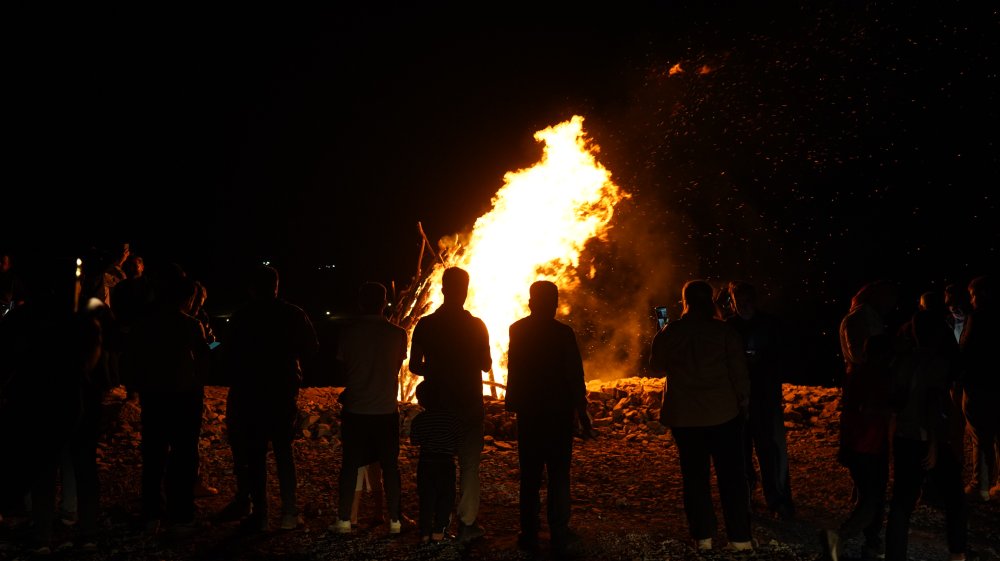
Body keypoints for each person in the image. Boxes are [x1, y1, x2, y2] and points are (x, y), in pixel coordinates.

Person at [648, 279, 753, 553]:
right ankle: (740, 538)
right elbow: (740, 373)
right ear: (711, 301)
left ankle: (703, 538)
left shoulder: (670, 332)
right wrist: (743, 403)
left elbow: (657, 368)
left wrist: (661, 333)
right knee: (732, 478)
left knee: (695, 479)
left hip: (685, 418)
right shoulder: (724, 332)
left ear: (685, 302)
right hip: (723, 415)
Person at [217, 265, 319, 532]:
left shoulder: (242, 316)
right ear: (276, 286)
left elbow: (225, 351)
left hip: (250, 392)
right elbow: (311, 348)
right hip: (282, 392)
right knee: (284, 452)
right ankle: (288, 512)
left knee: (256, 454)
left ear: (252, 288)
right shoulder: (293, 314)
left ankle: (260, 514)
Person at [505, 280, 595, 557]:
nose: (555, 305)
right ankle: (558, 530)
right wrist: (582, 412)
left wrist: (512, 403)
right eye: (554, 301)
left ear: (531, 302)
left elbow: (515, 369)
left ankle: (529, 532)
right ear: (551, 303)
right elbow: (574, 375)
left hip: (530, 413)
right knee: (558, 474)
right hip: (557, 414)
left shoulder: (517, 330)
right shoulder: (563, 334)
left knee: (530, 475)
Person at [119, 275, 210, 538]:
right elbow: (208, 354)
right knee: (183, 456)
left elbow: (131, 357)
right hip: (185, 397)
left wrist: (136, 386)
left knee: (153, 456)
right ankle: (181, 514)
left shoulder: (144, 325)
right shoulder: (192, 326)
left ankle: (151, 514)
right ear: (187, 298)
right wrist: (215, 342)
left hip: (154, 396)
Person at [408, 266, 492, 544]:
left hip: (439, 408)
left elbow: (415, 365)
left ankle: (434, 525)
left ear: (443, 289)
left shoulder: (426, 324)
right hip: (468, 406)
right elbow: (486, 365)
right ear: (465, 290)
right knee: (469, 467)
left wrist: (436, 371)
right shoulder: (477, 326)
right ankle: (467, 523)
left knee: (437, 466)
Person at [885, 310, 969, 561]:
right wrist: (933, 443)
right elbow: (932, 404)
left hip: (904, 437)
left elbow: (895, 403)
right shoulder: (936, 364)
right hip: (926, 439)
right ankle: (958, 553)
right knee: (955, 496)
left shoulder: (901, 360)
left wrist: (892, 438)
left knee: (902, 501)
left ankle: (894, 555)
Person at [330, 281, 407, 535]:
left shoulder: (349, 332)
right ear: (384, 303)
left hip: (356, 410)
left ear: (361, 302)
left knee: (350, 464)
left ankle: (343, 520)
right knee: (390, 466)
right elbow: (395, 367)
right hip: (386, 409)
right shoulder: (398, 334)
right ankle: (395, 520)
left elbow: (344, 368)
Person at [724, 281, 795, 520]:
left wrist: (761, 365)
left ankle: (777, 499)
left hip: (764, 398)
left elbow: (782, 357)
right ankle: (747, 497)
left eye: (747, 299)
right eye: (738, 300)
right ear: (732, 301)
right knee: (740, 452)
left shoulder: (770, 325)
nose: (743, 305)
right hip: (737, 401)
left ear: (754, 300)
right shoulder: (727, 327)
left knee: (769, 451)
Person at [822, 334, 895, 561]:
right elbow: (869, 409)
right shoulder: (877, 377)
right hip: (870, 446)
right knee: (873, 498)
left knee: (871, 496)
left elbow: (849, 412)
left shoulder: (856, 374)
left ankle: (872, 543)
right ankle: (841, 537)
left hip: (857, 445)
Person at [960, 275, 999, 502]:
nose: (971, 300)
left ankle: (980, 485)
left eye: (973, 295)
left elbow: (967, 349)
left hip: (980, 384)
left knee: (980, 435)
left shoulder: (978, 318)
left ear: (982, 294)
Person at [409, 379, 461, 544]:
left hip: (426, 463)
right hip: (446, 463)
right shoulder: (452, 419)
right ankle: (439, 531)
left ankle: (424, 533)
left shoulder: (419, 420)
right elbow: (458, 441)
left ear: (421, 400)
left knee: (426, 498)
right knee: (446, 498)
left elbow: (414, 441)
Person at [839, 280, 899, 380]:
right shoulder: (861, 316)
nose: (892, 303)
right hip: (865, 380)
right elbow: (857, 355)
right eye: (889, 296)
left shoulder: (868, 315)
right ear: (876, 296)